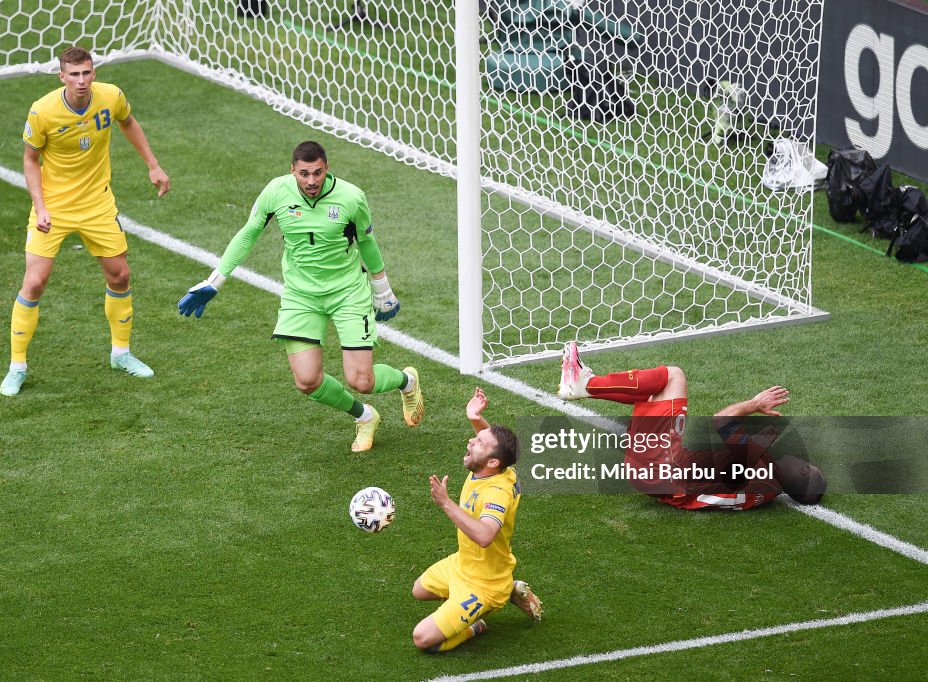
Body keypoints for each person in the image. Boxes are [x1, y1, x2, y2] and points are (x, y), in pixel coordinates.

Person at [177, 141, 423, 452]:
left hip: (347, 293)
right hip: (301, 296)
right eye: (304, 173)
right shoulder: (277, 192)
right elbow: (249, 232)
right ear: (292, 170)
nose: (310, 181)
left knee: (362, 380)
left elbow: (367, 241)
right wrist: (215, 280)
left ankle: (407, 382)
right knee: (307, 381)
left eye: (317, 173)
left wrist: (382, 288)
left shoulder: (351, 197)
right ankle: (364, 416)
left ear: (327, 168)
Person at [0, 46, 170, 396]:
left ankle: (121, 354)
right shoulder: (42, 112)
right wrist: (40, 205)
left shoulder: (111, 97)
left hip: (97, 203)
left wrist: (152, 164)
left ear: (94, 73)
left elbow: (128, 122)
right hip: (54, 207)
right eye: (74, 74)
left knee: (120, 274)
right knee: (34, 282)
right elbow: (30, 160)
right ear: (61, 76)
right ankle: (17, 366)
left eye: (87, 73)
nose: (82, 80)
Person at [558, 341, 827, 510]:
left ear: (802, 473)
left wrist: (754, 404)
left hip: (662, 468)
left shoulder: (764, 469)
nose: (802, 459)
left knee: (673, 376)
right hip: (654, 478)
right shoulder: (766, 488)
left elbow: (721, 420)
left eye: (807, 464)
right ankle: (586, 385)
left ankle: (588, 385)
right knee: (655, 393)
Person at [411, 388, 542, 653]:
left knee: (423, 638)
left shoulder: (497, 493)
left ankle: (478, 622)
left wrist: (446, 503)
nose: (471, 442)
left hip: (484, 585)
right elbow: (494, 446)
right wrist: (474, 416)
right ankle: (509, 590)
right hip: (462, 564)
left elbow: (484, 535)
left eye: (478, 442)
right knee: (419, 591)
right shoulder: (495, 467)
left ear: (492, 461)